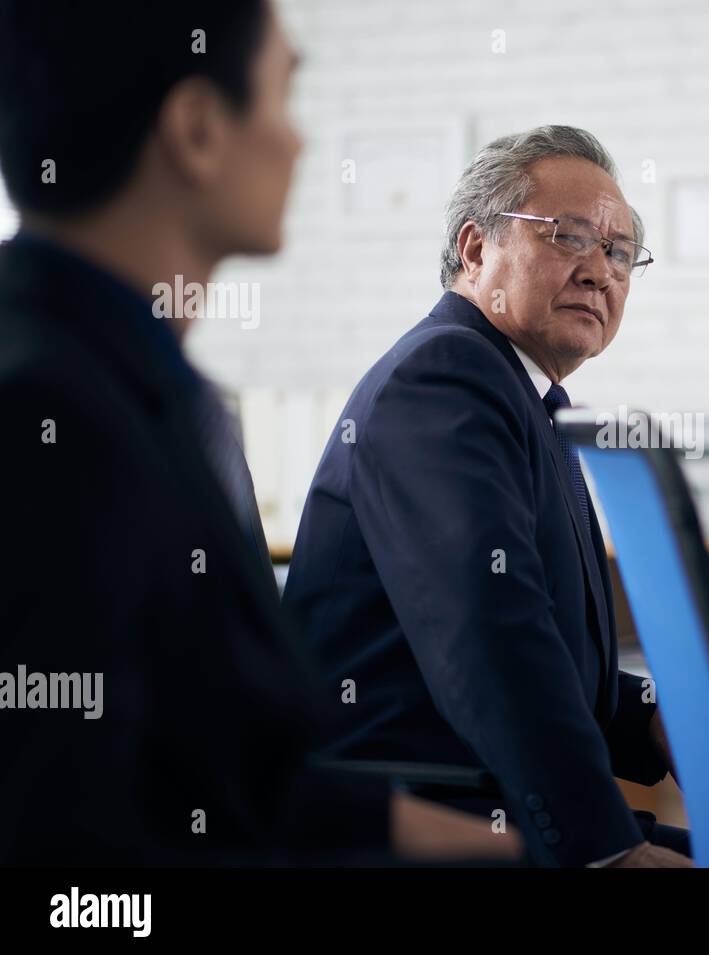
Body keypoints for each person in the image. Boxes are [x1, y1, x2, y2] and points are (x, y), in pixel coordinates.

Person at [0, 0, 518, 866]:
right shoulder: (49, 421)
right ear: (198, 130)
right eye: (284, 96)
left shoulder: (144, 391)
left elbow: (220, 778)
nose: (299, 142)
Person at [283, 126, 692, 867]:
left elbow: (548, 643)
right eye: (570, 237)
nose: (601, 270)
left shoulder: (526, 395)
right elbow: (492, 636)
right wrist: (606, 851)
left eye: (621, 252)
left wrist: (653, 717)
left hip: (489, 801)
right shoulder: (444, 375)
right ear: (475, 250)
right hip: (426, 821)